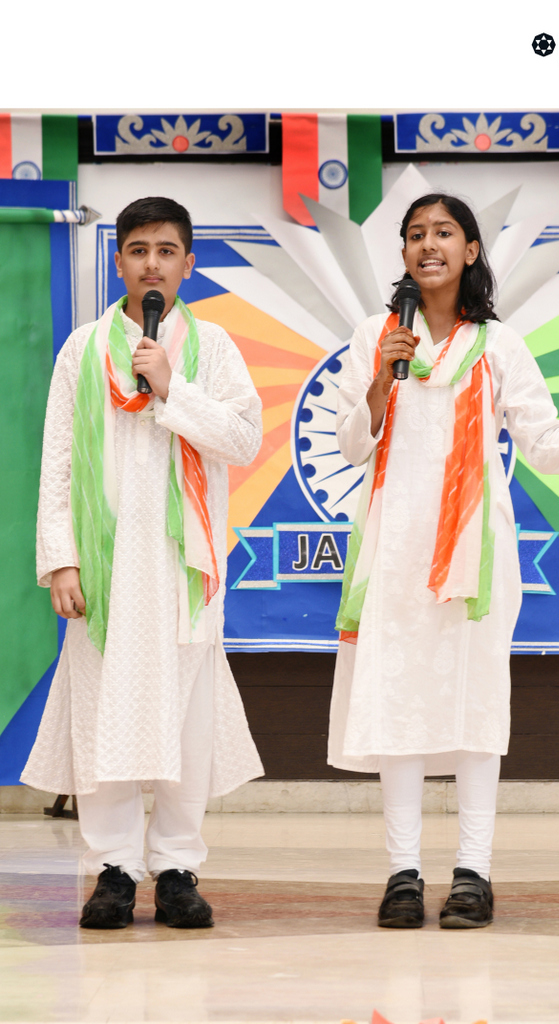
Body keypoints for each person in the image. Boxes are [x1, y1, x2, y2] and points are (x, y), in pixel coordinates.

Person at [328, 192, 559, 930]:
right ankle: (402, 876)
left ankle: (474, 874)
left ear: (471, 251)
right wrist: (382, 381)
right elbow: (353, 442)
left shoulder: (499, 345)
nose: (428, 245)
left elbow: (543, 442)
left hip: (477, 561)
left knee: (476, 709)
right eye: (415, 234)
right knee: (399, 709)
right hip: (393, 554)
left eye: (443, 233)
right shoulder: (375, 336)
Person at [22, 197, 264, 929]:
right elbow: (58, 462)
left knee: (186, 717)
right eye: (137, 250)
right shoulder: (83, 350)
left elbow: (244, 441)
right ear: (118, 262)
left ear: (188, 265)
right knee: (104, 711)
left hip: (181, 569)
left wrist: (171, 386)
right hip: (102, 570)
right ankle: (115, 871)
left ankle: (178, 868)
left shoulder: (213, 348)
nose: (151, 263)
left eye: (166, 250)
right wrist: (61, 560)